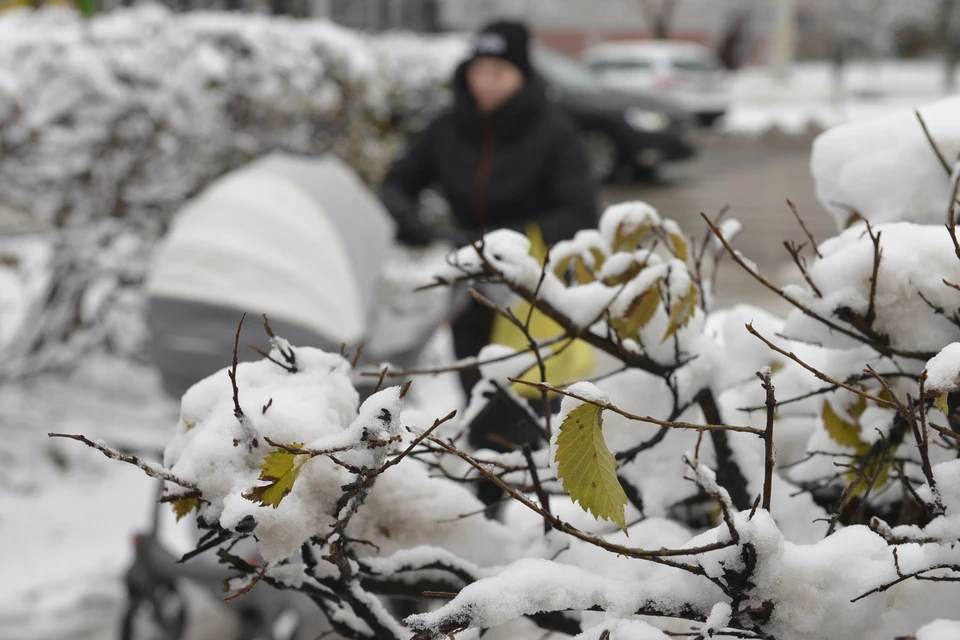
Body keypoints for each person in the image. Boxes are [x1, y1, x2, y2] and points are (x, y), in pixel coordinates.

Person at [380, 20, 598, 453]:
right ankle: (488, 485)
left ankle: (533, 496)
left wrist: (515, 235)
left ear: (521, 74)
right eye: (480, 70)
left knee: (526, 398)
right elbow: (397, 182)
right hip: (471, 287)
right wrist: (411, 220)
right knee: (477, 391)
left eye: (500, 71)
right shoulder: (448, 127)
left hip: (529, 285)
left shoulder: (553, 132)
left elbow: (581, 211)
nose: (487, 82)